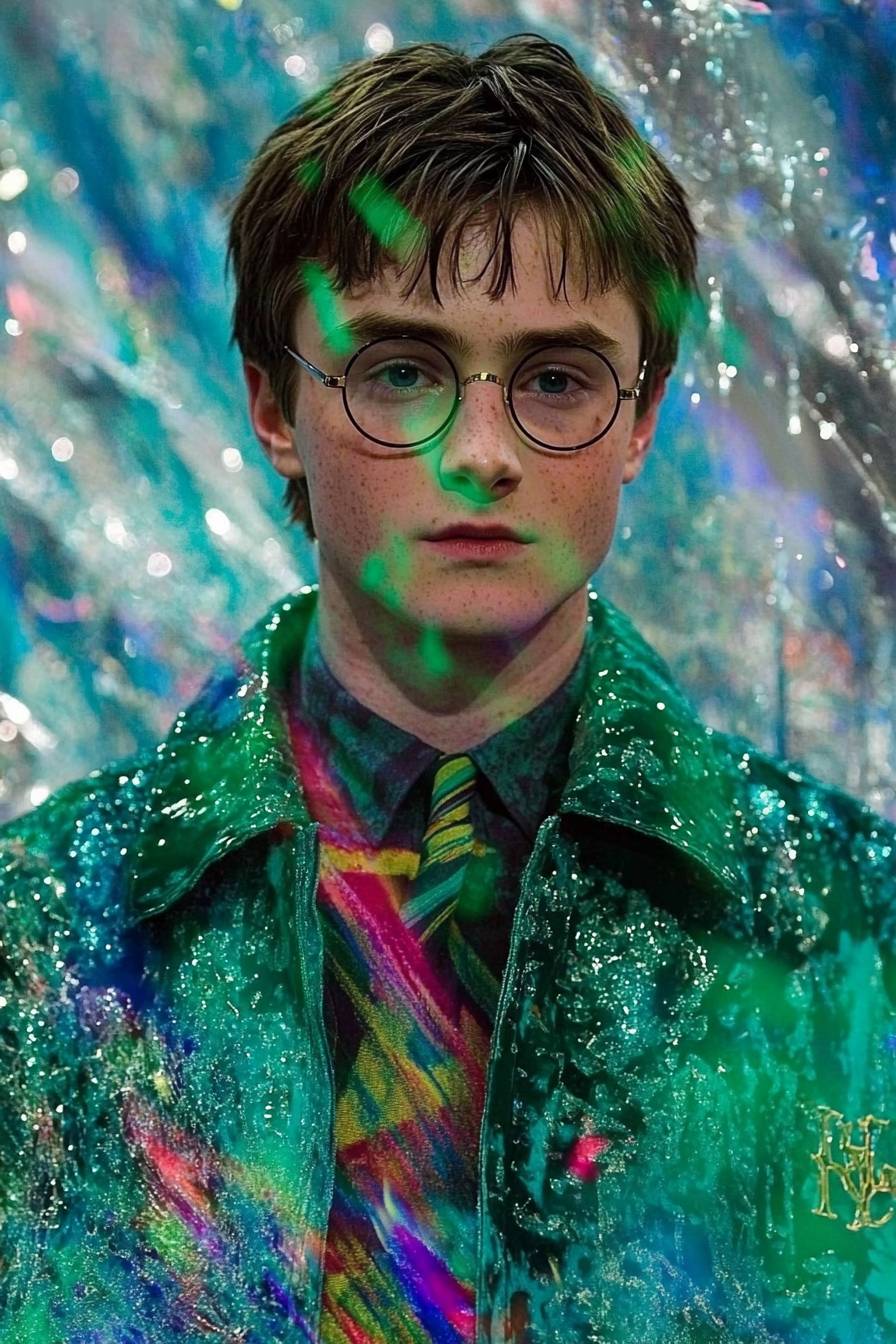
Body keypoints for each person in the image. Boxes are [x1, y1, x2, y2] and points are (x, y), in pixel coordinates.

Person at [1, 30, 895, 1344]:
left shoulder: (851, 930)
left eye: (555, 379)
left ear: (642, 417)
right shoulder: (36, 939)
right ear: (273, 406)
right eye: (401, 371)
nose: (480, 452)